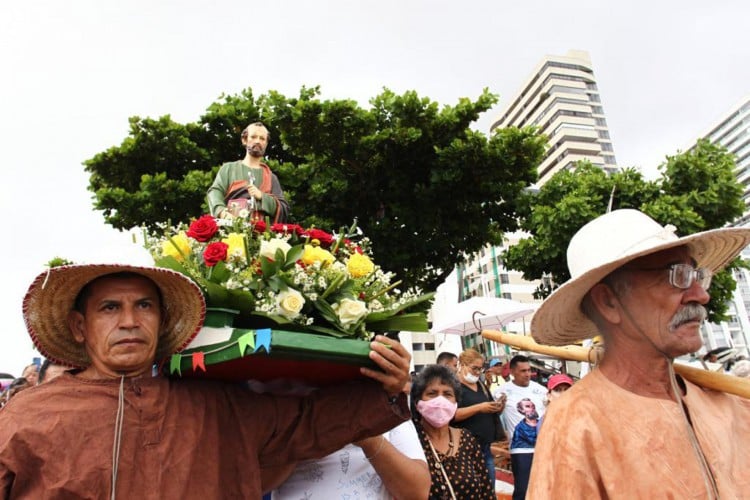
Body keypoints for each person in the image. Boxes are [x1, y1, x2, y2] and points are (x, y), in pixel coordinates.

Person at [0, 264, 412, 498]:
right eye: (109, 308)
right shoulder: (29, 415)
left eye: (144, 305)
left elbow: (308, 420)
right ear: (78, 326)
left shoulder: (216, 404)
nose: (129, 321)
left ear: (161, 322)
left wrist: (386, 387)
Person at [527, 209, 750, 498]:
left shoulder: (727, 405)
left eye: (698, 276)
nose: (701, 295)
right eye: (677, 276)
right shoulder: (577, 423)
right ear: (609, 302)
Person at [267, 379, 430, 499]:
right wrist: (306, 429)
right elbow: (259, 484)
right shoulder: (282, 396)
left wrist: (365, 435)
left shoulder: (387, 407)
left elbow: (416, 493)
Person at [411, 364, 494, 499]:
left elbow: (486, 490)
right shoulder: (409, 439)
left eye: (447, 394)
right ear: (417, 403)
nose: (440, 400)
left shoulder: (467, 439)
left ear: (456, 402)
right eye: (432, 393)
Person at [206, 122, 289, 223]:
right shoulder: (228, 169)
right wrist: (222, 212)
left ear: (266, 144)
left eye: (262, 138)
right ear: (244, 140)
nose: (257, 141)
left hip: (261, 235)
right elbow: (215, 192)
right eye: (253, 137)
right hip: (231, 232)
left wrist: (262, 196)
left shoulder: (271, 177)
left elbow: (283, 208)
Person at [493, 354, 546, 500]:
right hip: (520, 449)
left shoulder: (541, 390)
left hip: (543, 447)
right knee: (522, 490)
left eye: (529, 370)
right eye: (523, 371)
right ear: (512, 372)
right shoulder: (501, 392)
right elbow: (495, 416)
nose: (528, 374)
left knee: (544, 487)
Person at [452, 348, 505, 485]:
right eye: (474, 368)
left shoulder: (481, 385)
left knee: (489, 489)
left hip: (485, 448)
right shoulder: (453, 387)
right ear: (462, 365)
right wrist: (479, 408)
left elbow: (491, 411)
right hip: (464, 451)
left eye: (480, 369)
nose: (477, 372)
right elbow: (451, 415)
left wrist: (498, 406)